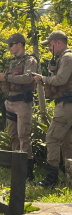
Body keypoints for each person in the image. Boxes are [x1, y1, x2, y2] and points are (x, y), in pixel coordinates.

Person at [0, 33, 38, 182]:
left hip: (23, 103)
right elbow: (7, 83)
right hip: (10, 102)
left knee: (23, 136)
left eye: (11, 44)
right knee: (13, 135)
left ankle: (28, 172)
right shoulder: (12, 62)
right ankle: (17, 167)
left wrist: (6, 77)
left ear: (19, 44)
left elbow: (28, 78)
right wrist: (0, 79)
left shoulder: (30, 60)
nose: (9, 47)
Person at [32, 30, 72, 187]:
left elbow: (61, 79)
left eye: (50, 44)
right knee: (67, 142)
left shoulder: (67, 58)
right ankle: (69, 180)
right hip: (66, 104)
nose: (48, 47)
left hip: (66, 105)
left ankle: (51, 179)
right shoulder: (64, 57)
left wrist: (43, 79)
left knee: (52, 138)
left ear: (59, 43)